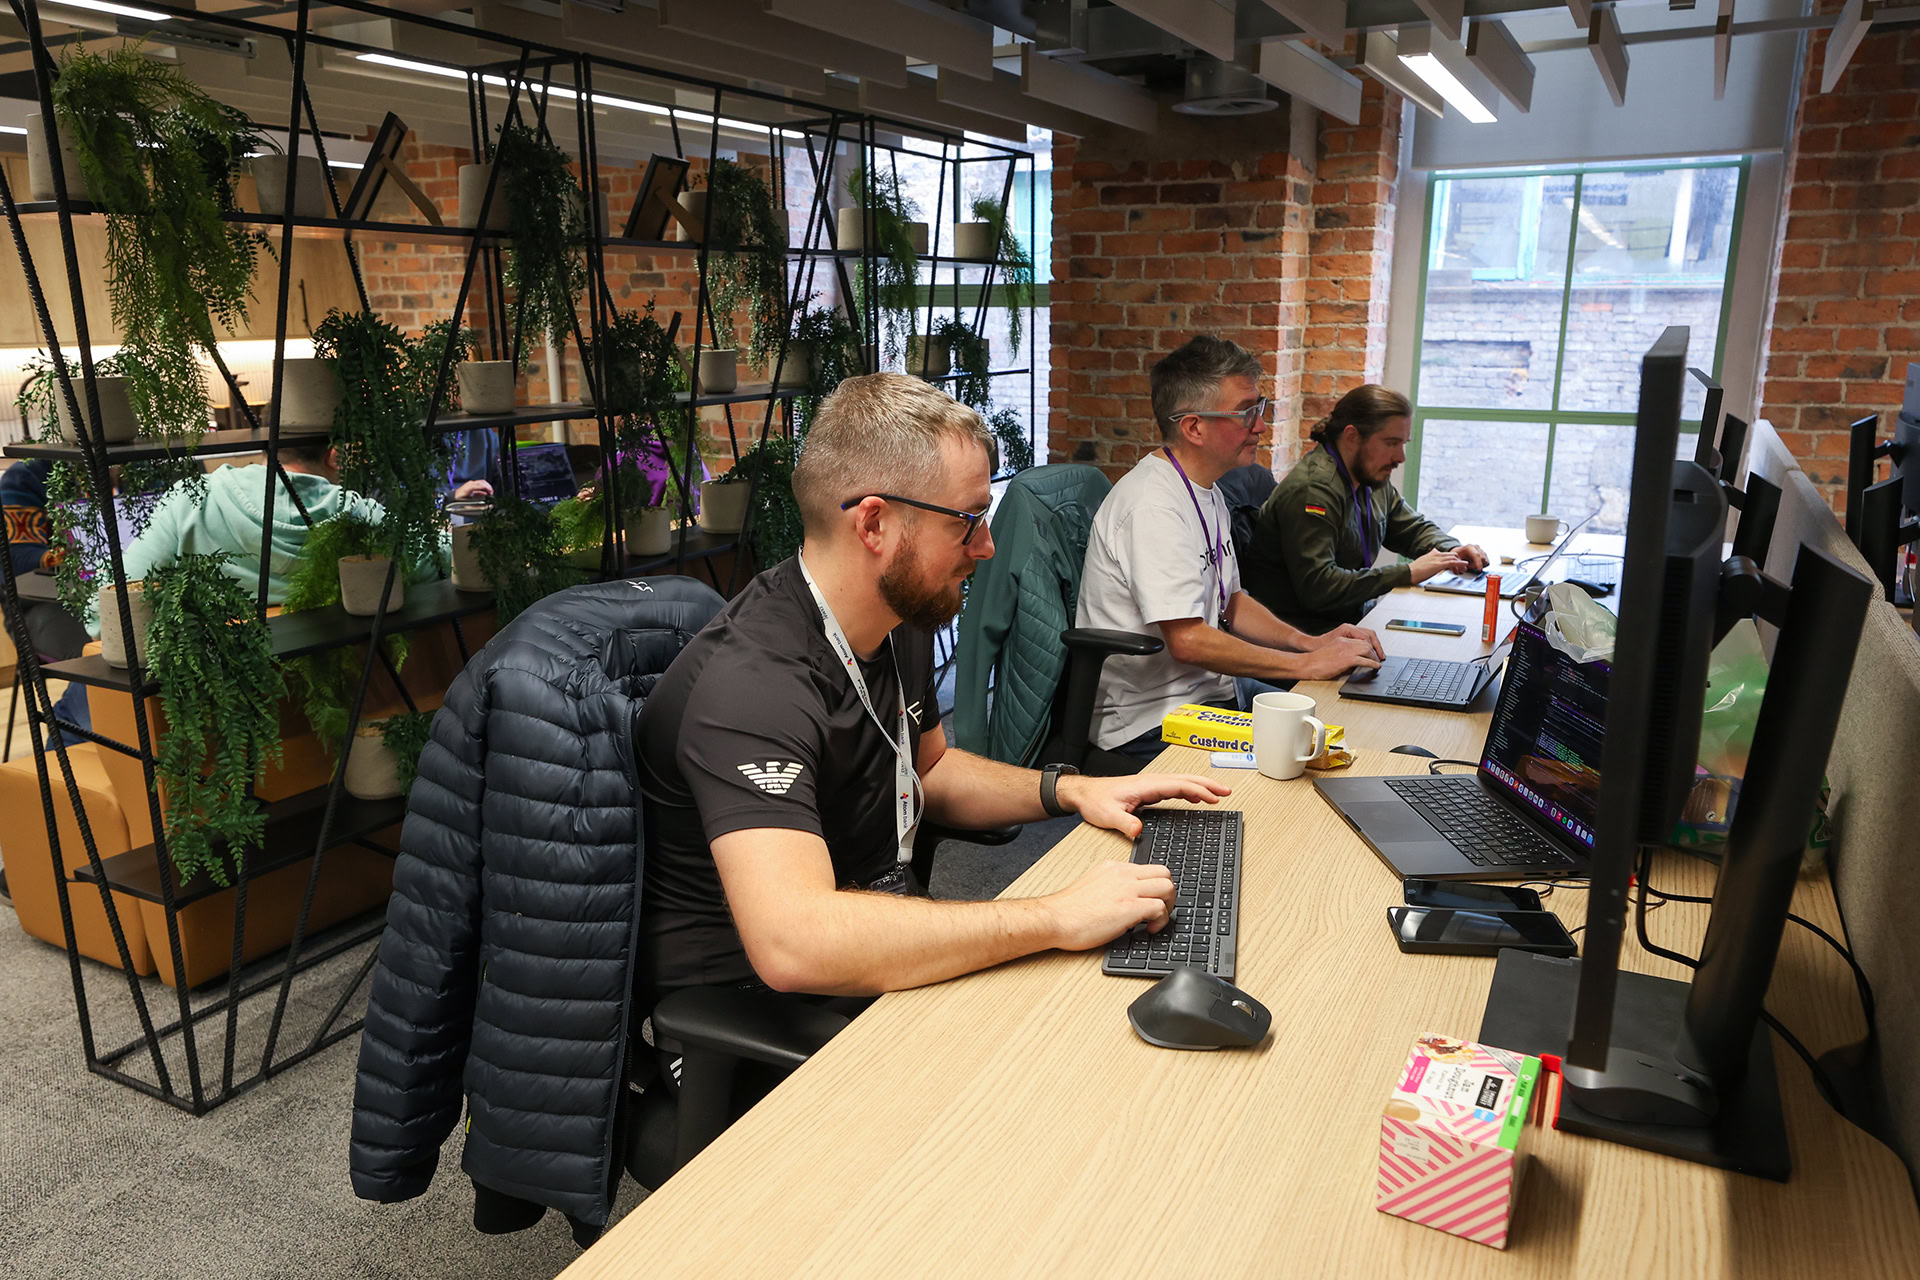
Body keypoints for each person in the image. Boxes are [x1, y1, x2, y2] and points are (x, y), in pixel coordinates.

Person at [633, 372, 1230, 1020]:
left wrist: (1070, 790)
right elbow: (793, 944)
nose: (988, 546)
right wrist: (1055, 915)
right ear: (874, 524)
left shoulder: (895, 616)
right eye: (969, 522)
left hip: (883, 943)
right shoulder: (751, 688)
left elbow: (929, 768)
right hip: (765, 1010)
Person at [1075, 336, 1384, 761]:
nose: (1260, 425)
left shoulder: (1207, 490)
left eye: (1260, 408)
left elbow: (1232, 602)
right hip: (1150, 720)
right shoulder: (1152, 506)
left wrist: (1308, 643)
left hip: (1210, 693)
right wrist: (1303, 666)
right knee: (1302, 769)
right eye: (1246, 412)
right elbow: (1188, 641)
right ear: (1194, 427)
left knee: (1346, 737)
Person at [97, 443, 433, 630]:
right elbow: (440, 562)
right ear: (335, 455)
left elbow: (104, 616)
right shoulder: (360, 514)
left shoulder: (188, 500)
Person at [1242, 385, 1489, 634]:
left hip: (1347, 621)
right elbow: (1319, 589)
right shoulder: (1314, 491)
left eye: (1403, 443)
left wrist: (1451, 549)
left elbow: (1410, 528)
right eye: (1391, 443)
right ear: (1352, 437)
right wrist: (1407, 573)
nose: (1400, 457)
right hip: (1302, 635)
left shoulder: (1369, 475)